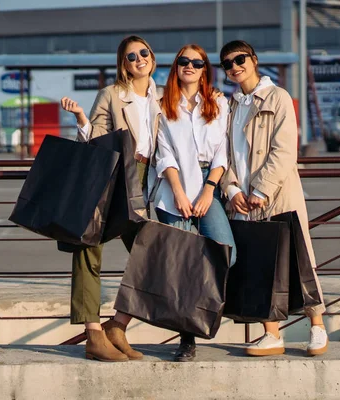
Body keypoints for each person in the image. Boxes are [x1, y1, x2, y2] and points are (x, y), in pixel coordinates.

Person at [219, 40, 329, 357]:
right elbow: (223, 156)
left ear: (253, 60)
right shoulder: (230, 106)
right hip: (245, 200)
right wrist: (232, 190)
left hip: (277, 197)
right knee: (263, 265)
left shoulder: (277, 97)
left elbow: (284, 150)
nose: (235, 66)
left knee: (299, 261)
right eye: (227, 63)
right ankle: (272, 334)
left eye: (240, 59)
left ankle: (318, 328)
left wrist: (261, 190)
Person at [60, 35, 162, 362]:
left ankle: (117, 326)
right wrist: (81, 120)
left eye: (143, 53)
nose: (139, 59)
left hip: (153, 180)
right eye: (131, 56)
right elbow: (98, 140)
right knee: (89, 248)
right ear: (124, 63)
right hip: (116, 174)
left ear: (153, 57)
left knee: (152, 257)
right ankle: (93, 333)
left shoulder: (165, 96)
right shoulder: (111, 95)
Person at [153, 44, 236, 362]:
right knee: (182, 265)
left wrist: (207, 191)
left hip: (207, 184)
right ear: (176, 66)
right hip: (174, 187)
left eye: (196, 62)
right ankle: (187, 339)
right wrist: (178, 192)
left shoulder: (217, 101)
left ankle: (205, 309)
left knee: (226, 252)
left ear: (205, 69)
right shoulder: (162, 104)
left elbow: (222, 153)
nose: (189, 66)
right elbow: (165, 153)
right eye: (184, 61)